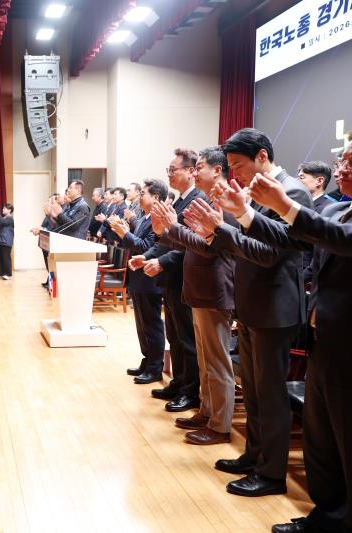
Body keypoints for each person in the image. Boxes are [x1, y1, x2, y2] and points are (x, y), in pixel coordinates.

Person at [218, 123, 352, 533]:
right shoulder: (340, 208)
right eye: (342, 159)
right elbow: (292, 239)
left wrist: (285, 206)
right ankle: (327, 516)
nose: (342, 168)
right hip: (326, 343)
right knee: (320, 442)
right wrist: (245, 214)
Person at [184, 127, 312, 498]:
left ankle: (271, 474)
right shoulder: (254, 192)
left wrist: (223, 229)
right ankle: (254, 456)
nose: (234, 173)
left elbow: (269, 254)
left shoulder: (290, 190)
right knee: (254, 392)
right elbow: (248, 245)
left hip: (276, 307)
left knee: (270, 394)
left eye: (238, 164)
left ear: (261, 156)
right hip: (254, 303)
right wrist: (220, 228)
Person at [151, 146, 236, 445]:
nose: (196, 171)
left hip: (215, 288)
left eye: (200, 166)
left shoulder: (225, 200)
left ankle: (220, 424)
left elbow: (212, 247)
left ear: (217, 170)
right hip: (200, 288)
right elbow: (198, 243)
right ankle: (207, 411)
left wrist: (172, 228)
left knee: (217, 362)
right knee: (205, 360)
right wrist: (169, 230)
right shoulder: (210, 199)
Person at [131, 148, 203, 413]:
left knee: (186, 339)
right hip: (172, 281)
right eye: (168, 170)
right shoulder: (179, 202)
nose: (170, 174)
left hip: (185, 277)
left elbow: (189, 245)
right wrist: (146, 256)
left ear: (190, 171)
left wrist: (160, 262)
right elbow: (165, 240)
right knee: (175, 335)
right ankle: (179, 382)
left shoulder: (198, 199)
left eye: (174, 169)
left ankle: (190, 392)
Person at [111, 179, 167, 384]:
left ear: (156, 198)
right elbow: (135, 245)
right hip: (137, 276)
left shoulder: (158, 219)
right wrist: (124, 233)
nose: (139, 196)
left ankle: (155, 367)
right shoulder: (144, 217)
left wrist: (124, 233)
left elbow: (145, 247)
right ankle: (147, 359)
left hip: (149, 279)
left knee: (152, 324)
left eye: (143, 193)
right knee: (142, 325)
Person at [297, 161, 336, 284]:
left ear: (319, 181)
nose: (296, 181)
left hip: (308, 280)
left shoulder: (331, 208)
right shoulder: (297, 204)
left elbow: (320, 251)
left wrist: (303, 278)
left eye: (302, 177)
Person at [0, 203, 14, 280]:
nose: (3, 209)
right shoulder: (2, 218)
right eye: (3, 208)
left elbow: (2, 222)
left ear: (10, 210)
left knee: (6, 258)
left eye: (5, 208)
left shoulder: (10, 219)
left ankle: (7, 274)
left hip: (6, 241)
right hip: (0, 241)